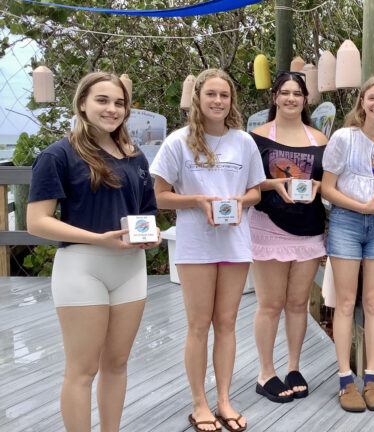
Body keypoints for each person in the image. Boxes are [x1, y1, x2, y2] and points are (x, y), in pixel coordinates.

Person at [26, 72, 160, 432]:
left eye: (119, 103)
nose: (112, 109)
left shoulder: (135, 156)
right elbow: (37, 222)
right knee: (83, 370)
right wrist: (98, 239)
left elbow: (145, 212)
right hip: (82, 268)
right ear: (82, 104)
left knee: (117, 364)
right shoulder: (57, 155)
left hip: (131, 268)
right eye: (102, 100)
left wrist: (150, 234)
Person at [150, 69, 265, 432]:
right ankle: (199, 402)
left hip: (235, 243)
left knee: (227, 323)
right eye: (211, 94)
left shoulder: (244, 142)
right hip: (196, 244)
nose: (218, 101)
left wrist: (239, 201)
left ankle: (224, 400)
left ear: (232, 101)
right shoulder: (178, 142)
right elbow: (160, 196)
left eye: (224, 95)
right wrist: (198, 200)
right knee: (199, 325)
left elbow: (256, 191)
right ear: (198, 98)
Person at [321, 76, 374, 412]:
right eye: (372, 98)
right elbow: (327, 189)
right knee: (345, 302)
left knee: (373, 302)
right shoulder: (344, 138)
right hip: (347, 221)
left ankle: (371, 379)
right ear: (362, 102)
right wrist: (362, 207)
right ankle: (346, 380)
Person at [249, 71, 328, 403]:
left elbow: (329, 182)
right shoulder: (255, 138)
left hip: (308, 229)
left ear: (305, 99)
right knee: (270, 304)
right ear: (275, 97)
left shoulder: (320, 139)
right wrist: (274, 184)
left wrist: (318, 186)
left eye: (297, 93)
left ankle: (294, 368)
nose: (291, 98)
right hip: (268, 226)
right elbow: (246, 183)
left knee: (297, 304)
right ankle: (265, 373)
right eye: (285, 92)